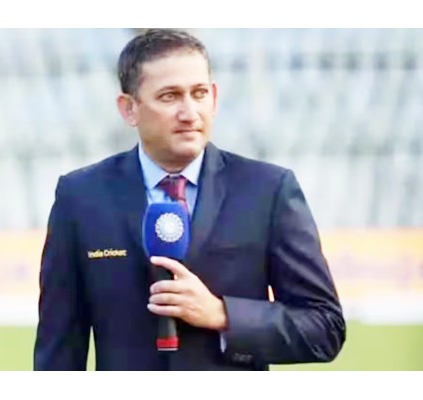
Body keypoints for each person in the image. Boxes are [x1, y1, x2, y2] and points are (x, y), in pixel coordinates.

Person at [33, 28, 346, 371]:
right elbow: (58, 350)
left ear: (214, 97)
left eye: (199, 94)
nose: (189, 112)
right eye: (169, 96)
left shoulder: (268, 190)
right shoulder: (80, 197)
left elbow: (324, 327)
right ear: (129, 109)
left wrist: (223, 315)